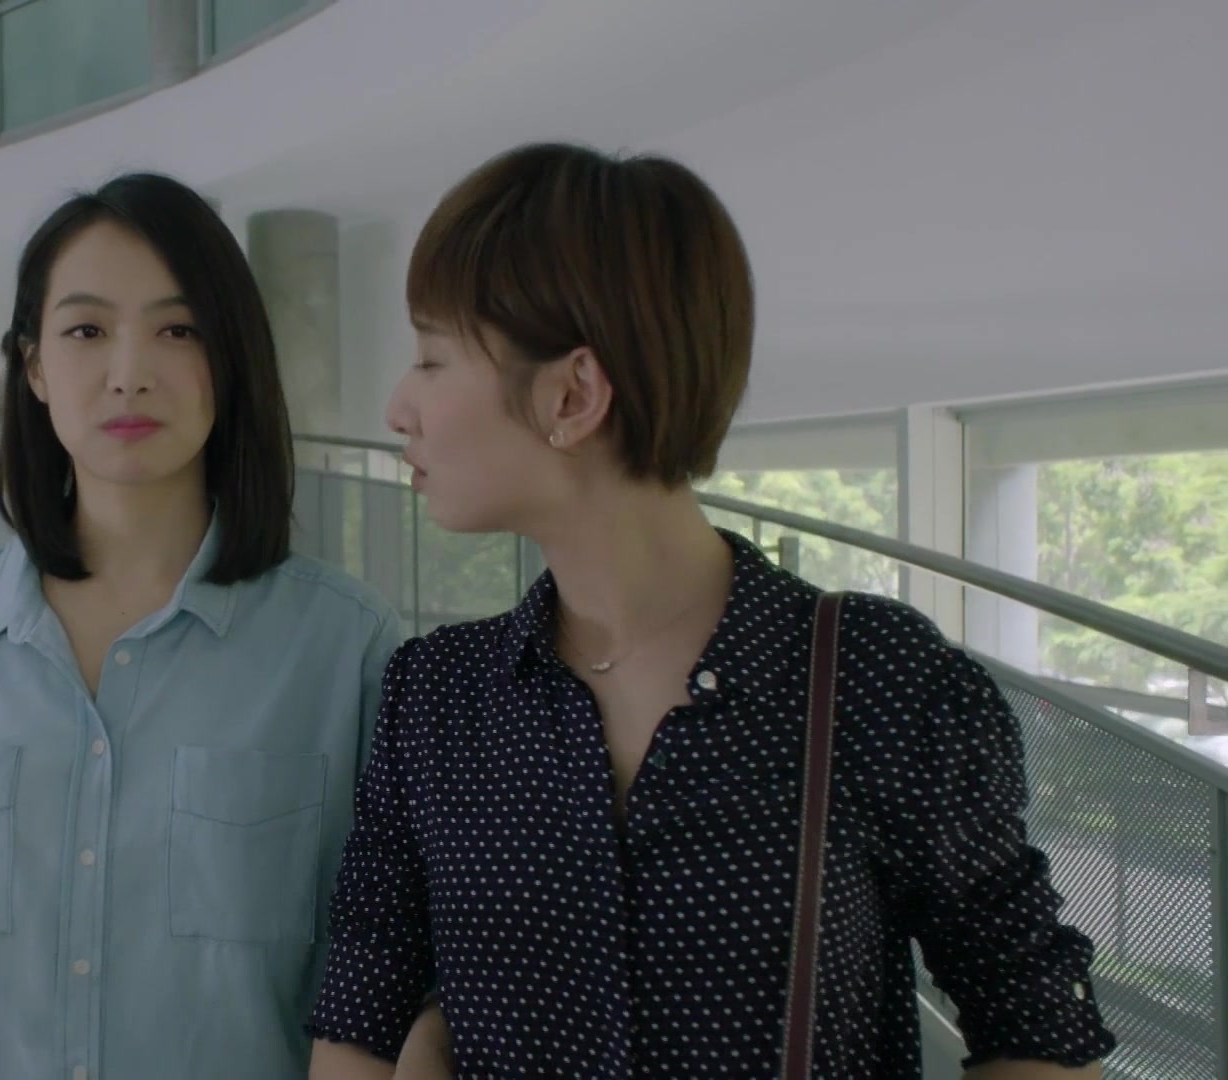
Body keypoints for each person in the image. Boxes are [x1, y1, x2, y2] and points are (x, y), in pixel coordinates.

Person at [307, 143, 1116, 1078]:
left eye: (430, 359)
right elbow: (361, 1008)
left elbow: (1037, 1022)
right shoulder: (437, 696)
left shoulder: (876, 681)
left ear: (572, 394)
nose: (397, 407)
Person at [0, 172, 401, 1079]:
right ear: (32, 366)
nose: (129, 373)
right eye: (86, 331)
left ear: (229, 357)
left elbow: (384, 972)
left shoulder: (345, 647)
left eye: (178, 330)